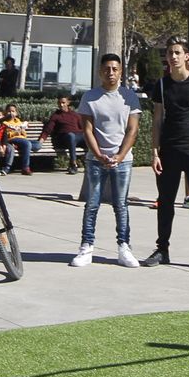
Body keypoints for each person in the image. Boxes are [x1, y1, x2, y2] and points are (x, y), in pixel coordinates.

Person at [140, 40, 189, 271]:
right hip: (169, 151)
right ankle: (162, 249)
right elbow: (157, 121)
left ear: (185, 56)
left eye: (177, 53)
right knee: (165, 203)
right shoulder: (162, 85)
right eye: (170, 53)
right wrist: (155, 152)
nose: (173, 56)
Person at [71, 53, 142, 267]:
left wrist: (120, 156)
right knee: (92, 204)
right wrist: (99, 154)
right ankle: (86, 247)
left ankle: (124, 247)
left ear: (120, 72)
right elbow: (87, 129)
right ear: (100, 71)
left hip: (123, 160)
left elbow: (133, 129)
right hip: (95, 160)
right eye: (106, 69)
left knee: (121, 205)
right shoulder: (90, 97)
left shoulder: (129, 97)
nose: (110, 72)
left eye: (114, 69)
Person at [40, 94, 86, 175]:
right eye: (59, 103)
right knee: (71, 136)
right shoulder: (55, 116)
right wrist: (41, 140)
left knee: (88, 137)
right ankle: (73, 164)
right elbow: (48, 129)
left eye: (63, 102)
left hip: (77, 137)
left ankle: (91, 163)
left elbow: (83, 128)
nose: (61, 105)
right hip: (63, 138)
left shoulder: (75, 115)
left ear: (68, 103)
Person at [0, 103, 33, 176]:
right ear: (5, 112)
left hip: (21, 140)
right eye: (9, 111)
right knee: (28, 144)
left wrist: (22, 130)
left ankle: (17, 146)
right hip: (11, 139)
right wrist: (15, 133)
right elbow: (5, 135)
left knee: (37, 145)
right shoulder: (4, 122)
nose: (11, 113)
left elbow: (24, 134)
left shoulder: (18, 121)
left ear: (16, 113)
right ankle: (25, 167)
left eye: (13, 111)